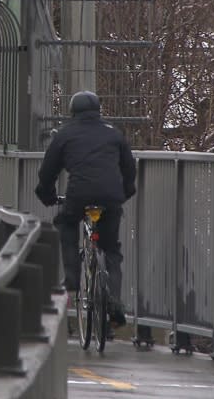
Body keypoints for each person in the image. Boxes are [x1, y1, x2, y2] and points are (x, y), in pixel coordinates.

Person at [35, 90, 136, 327]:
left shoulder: (65, 135)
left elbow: (48, 171)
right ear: (98, 110)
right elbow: (129, 168)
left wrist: (47, 195)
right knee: (111, 249)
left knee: (66, 223)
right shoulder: (114, 134)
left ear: (73, 111)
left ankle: (71, 277)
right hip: (111, 198)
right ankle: (114, 301)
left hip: (79, 196)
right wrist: (125, 192)